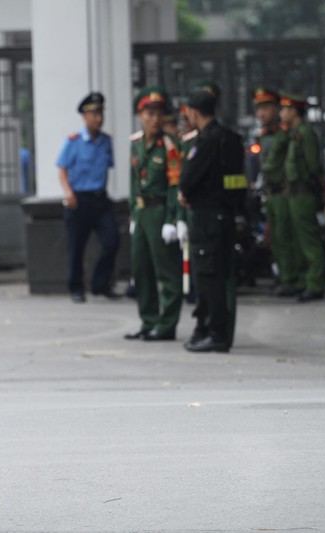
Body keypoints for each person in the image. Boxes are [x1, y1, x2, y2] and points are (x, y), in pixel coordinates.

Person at [179, 89, 241, 353]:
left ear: (193, 112)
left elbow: (188, 179)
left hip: (206, 217)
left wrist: (188, 195)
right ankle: (214, 329)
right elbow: (238, 183)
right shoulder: (232, 139)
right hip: (226, 215)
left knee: (208, 277)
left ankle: (215, 333)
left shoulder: (205, 142)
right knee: (221, 275)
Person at [125, 86, 184, 341]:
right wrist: (132, 215)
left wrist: (173, 219)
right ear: (140, 115)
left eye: (159, 113)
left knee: (167, 271)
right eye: (149, 113)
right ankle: (148, 320)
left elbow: (175, 185)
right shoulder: (136, 144)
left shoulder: (171, 146)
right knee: (141, 269)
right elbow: (133, 182)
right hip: (141, 212)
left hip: (161, 212)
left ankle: (167, 324)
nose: (154, 119)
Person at [55, 91, 120, 303]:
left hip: (100, 199)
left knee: (112, 241)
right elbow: (62, 168)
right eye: (93, 114)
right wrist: (68, 192)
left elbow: (107, 168)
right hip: (78, 200)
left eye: (100, 113)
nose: (98, 118)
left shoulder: (106, 142)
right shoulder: (73, 142)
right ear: (84, 116)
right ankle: (76, 287)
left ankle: (101, 284)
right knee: (76, 247)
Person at [280, 92, 325, 302]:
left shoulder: (305, 133)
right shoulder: (294, 132)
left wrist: (319, 187)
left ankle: (315, 284)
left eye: (285, 109)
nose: (282, 113)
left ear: (293, 111)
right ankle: (303, 281)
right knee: (298, 242)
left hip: (304, 193)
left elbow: (313, 164)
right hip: (294, 194)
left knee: (309, 241)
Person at [253, 87, 298, 296]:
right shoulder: (262, 136)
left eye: (266, 108)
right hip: (270, 192)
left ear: (276, 109)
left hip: (284, 192)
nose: (261, 114)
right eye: (259, 109)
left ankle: (291, 278)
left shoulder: (286, 134)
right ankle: (282, 276)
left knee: (285, 235)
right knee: (275, 238)